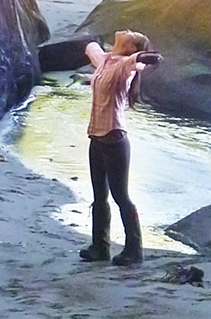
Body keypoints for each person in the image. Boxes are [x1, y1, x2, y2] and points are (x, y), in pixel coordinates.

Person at [78, 29, 162, 266]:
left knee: (120, 195)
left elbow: (143, 62)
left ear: (130, 48)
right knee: (99, 195)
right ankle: (100, 246)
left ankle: (134, 250)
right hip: (95, 136)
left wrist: (144, 58)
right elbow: (90, 47)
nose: (126, 30)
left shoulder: (125, 66)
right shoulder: (106, 61)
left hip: (114, 138)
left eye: (132, 33)